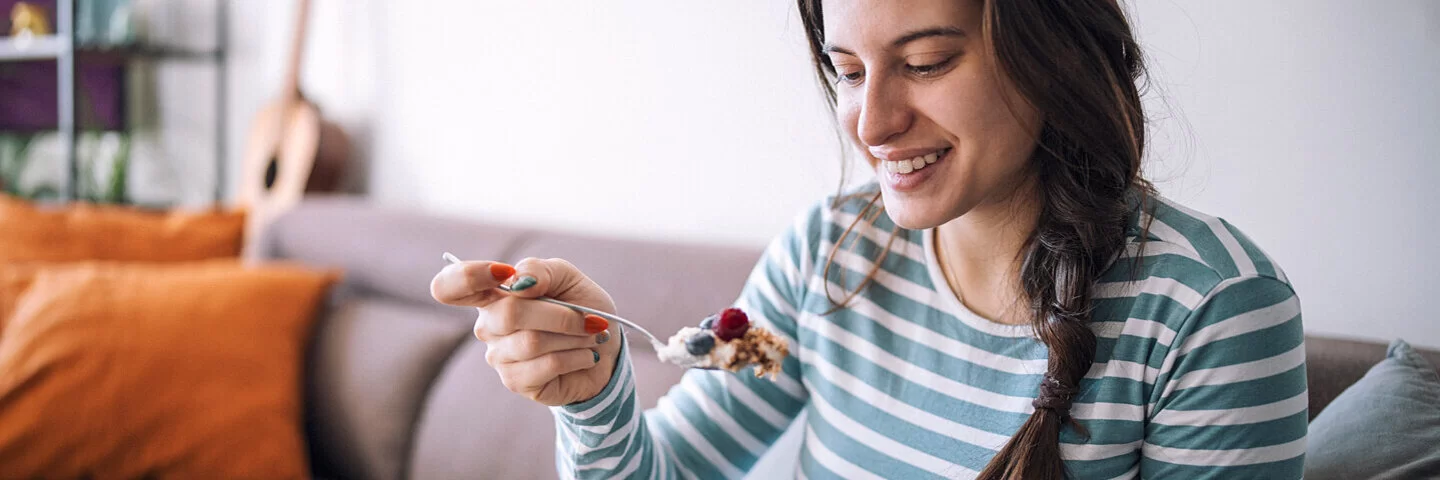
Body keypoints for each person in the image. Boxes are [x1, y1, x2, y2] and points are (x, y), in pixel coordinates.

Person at [429, 0, 1306, 478]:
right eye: (847, 72)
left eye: (926, 62)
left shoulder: (1212, 313)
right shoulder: (823, 260)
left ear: (1056, 53)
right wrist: (591, 395)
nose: (874, 122)